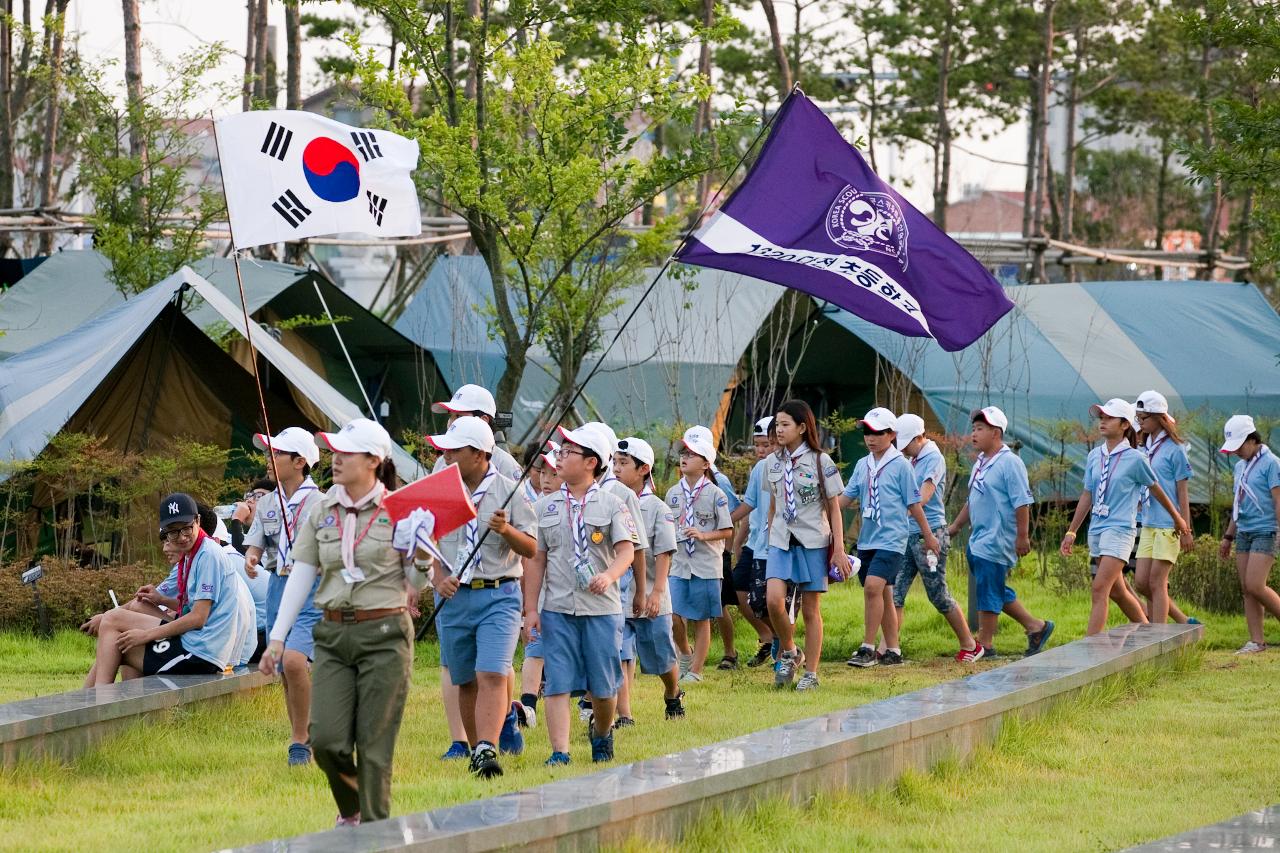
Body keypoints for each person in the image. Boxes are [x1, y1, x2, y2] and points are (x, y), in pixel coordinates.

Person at [261, 418, 428, 827]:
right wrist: (277, 638)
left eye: (345, 453)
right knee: (327, 740)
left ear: (373, 460)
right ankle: (352, 810)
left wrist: (421, 550)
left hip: (385, 634)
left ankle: (373, 831)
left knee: (373, 746)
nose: (335, 460)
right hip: (334, 633)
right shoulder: (321, 510)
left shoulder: (401, 509)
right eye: (333, 451)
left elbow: (417, 582)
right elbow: (301, 572)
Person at [427, 416, 537, 779]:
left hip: (499, 594)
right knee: (465, 679)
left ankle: (488, 747)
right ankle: (477, 751)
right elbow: (426, 544)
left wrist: (506, 530)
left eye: (454, 450)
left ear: (478, 454)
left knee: (490, 671)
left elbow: (532, 548)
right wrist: (438, 577)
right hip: (454, 599)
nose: (445, 456)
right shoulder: (440, 490)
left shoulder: (511, 490)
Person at [524, 425, 637, 766]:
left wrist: (609, 575)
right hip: (557, 609)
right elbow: (536, 559)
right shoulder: (545, 507)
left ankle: (602, 733)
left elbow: (626, 552)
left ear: (591, 462)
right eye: (559, 452)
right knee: (557, 682)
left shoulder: (614, 504)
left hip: (601, 609)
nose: (558, 457)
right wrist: (531, 609)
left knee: (603, 689)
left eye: (567, 453)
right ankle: (560, 752)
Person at [1061, 399, 1190, 636]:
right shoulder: (1094, 456)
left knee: (1099, 589)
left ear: (1124, 425)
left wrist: (1178, 518)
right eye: (1101, 417)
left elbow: (1156, 488)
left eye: (1109, 418)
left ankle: (1090, 651)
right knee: (1117, 591)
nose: (1103, 421)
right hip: (1098, 529)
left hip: (1120, 531)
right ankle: (1147, 633)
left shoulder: (1135, 458)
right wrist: (1071, 531)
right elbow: (1087, 495)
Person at [91, 494, 247, 684]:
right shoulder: (195, 553)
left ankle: (97, 705)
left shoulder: (208, 555)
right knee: (118, 636)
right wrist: (161, 599)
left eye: (186, 529)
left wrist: (146, 635)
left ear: (197, 521)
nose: (181, 537)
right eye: (173, 532)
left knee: (113, 627)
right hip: (199, 642)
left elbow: (198, 618)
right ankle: (96, 703)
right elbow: (194, 607)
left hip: (202, 652)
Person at [243, 427, 325, 767]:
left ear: (300, 461)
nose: (269, 458)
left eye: (277, 454)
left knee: (294, 661)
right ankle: (303, 734)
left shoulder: (320, 501)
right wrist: (251, 555)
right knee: (283, 668)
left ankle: (301, 740)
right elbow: (257, 541)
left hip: (310, 588)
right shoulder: (268, 502)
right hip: (277, 586)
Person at [947, 407, 1054, 658]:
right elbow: (972, 500)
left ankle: (986, 643)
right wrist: (955, 527)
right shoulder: (981, 463)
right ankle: (1036, 627)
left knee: (988, 590)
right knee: (993, 588)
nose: (974, 434)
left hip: (998, 538)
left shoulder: (1010, 463)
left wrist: (1022, 536)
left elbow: (1022, 501)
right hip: (979, 538)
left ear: (996, 433)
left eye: (980, 429)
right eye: (973, 428)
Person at [839, 408, 939, 668]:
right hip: (867, 540)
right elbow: (845, 498)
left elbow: (915, 504)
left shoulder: (901, 466)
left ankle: (868, 648)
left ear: (892, 435)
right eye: (867, 432)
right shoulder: (863, 464)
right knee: (883, 593)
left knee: (873, 586)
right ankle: (893, 649)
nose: (871, 438)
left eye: (878, 432)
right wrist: (820, 511)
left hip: (893, 540)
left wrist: (929, 537)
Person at [764, 400, 852, 689]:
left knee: (812, 609)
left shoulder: (820, 461)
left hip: (812, 540)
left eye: (785, 424)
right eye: (777, 424)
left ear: (802, 427)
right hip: (780, 539)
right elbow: (774, 503)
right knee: (773, 600)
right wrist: (768, 535)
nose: (779, 429)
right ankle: (790, 651)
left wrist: (838, 549)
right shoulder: (771, 462)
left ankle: (811, 674)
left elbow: (834, 507)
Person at [892, 414, 983, 662]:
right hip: (908, 533)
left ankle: (970, 645)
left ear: (919, 437)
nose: (903, 450)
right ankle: (889, 649)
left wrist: (900, 508)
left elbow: (924, 495)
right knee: (895, 593)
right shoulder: (911, 459)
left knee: (937, 594)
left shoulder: (933, 457)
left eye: (906, 444)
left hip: (929, 535)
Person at [613, 436, 685, 723]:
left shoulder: (657, 508)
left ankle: (672, 692)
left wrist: (656, 593)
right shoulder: (609, 501)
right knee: (619, 654)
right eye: (614, 463)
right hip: (618, 595)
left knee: (661, 659)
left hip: (652, 595)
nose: (617, 469)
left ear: (643, 470)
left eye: (624, 463)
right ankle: (624, 715)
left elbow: (665, 553)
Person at [666, 431, 734, 684]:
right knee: (672, 614)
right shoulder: (673, 493)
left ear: (706, 463)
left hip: (706, 565)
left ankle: (696, 671)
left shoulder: (716, 494)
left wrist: (704, 535)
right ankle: (685, 652)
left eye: (692, 455)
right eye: (683, 453)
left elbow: (728, 530)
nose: (684, 458)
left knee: (701, 618)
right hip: (679, 563)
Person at [1132, 391, 1198, 625]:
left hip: (1169, 524)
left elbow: (1182, 492)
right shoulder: (1144, 446)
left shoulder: (1175, 448)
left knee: (1157, 582)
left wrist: (1186, 529)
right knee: (1141, 582)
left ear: (1159, 417)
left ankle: (1158, 638)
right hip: (1148, 521)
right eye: (1138, 418)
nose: (1140, 423)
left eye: (1143, 418)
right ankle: (1174, 624)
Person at [683, 424, 744, 670]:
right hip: (687, 555)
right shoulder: (685, 478)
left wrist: (727, 550)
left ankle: (729, 652)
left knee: (719, 606)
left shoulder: (720, 481)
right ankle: (688, 654)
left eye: (694, 450)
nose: (687, 455)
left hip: (716, 553)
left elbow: (731, 515)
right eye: (686, 449)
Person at [1218, 415, 1280, 654]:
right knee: (1246, 587)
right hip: (1243, 532)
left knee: (1256, 584)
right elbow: (1238, 503)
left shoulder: (1272, 463)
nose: (1236, 452)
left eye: (1240, 446)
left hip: (1267, 530)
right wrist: (1228, 536)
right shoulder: (1239, 466)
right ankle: (1257, 641)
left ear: (1253, 440)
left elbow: (1277, 500)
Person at [518, 441, 562, 727]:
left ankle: (585, 701)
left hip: (570, 595)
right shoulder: (532, 508)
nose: (546, 479)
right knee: (535, 649)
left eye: (553, 474)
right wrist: (526, 604)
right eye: (542, 473)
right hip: (540, 591)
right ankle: (528, 707)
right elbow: (526, 558)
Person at [729, 417, 779, 668]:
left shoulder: (782, 466)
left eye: (766, 445)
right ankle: (769, 638)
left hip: (777, 543)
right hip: (755, 542)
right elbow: (749, 507)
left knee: (772, 599)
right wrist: (733, 535)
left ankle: (783, 642)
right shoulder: (758, 469)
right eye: (757, 445)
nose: (761, 450)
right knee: (739, 589)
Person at [431, 384, 522, 480]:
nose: (450, 424)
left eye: (458, 417)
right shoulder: (442, 461)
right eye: (450, 416)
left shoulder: (507, 467)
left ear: (483, 420)